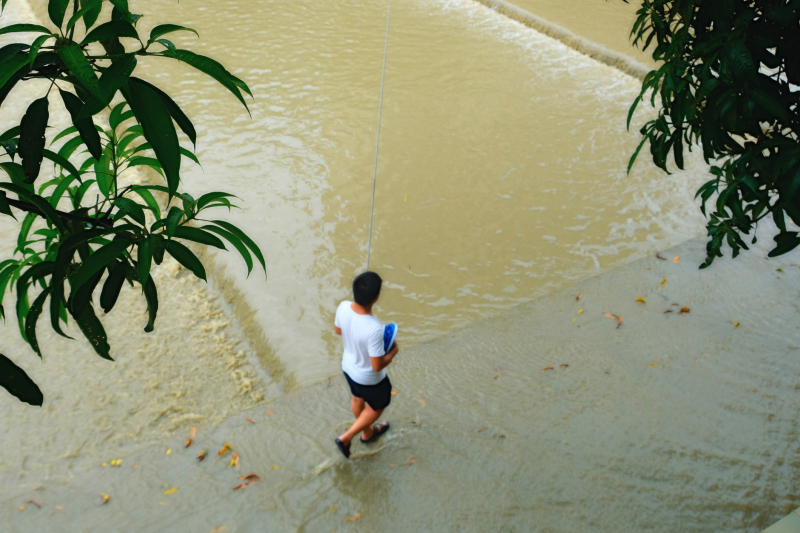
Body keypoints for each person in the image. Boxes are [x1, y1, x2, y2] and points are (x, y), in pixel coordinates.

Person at [333, 271, 399, 459]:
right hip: (368, 378)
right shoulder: (374, 328)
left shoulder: (343, 306)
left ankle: (368, 431)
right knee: (379, 405)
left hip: (348, 366)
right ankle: (347, 437)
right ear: (376, 298)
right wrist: (393, 351)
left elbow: (338, 331)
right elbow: (377, 366)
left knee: (357, 398)